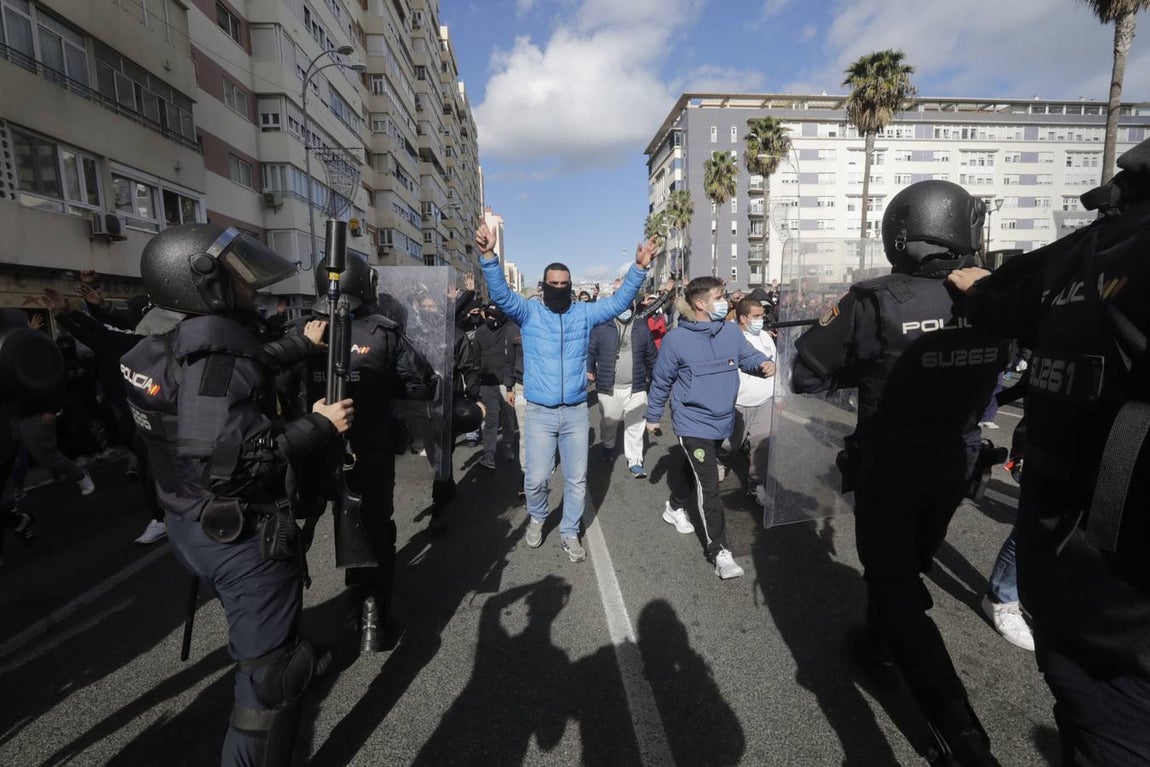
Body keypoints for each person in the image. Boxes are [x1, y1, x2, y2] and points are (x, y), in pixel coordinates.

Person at [947, 138, 1150, 765]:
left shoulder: (1093, 251)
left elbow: (996, 302)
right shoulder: (1093, 249)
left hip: (1104, 594)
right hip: (1095, 586)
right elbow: (1002, 304)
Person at [791, 180, 1007, 765]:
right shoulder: (995, 296)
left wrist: (861, 365)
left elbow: (806, 376)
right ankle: (875, 645)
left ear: (902, 233)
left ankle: (963, 737)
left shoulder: (874, 298)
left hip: (892, 467)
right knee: (906, 568)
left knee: (897, 589)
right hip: (957, 465)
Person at [121, 223, 353, 766]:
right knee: (272, 682)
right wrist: (320, 425)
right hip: (239, 535)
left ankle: (280, 643)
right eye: (238, 275)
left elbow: (242, 366)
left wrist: (302, 344)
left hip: (187, 522)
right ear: (205, 284)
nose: (250, 283)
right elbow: (233, 463)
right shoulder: (216, 362)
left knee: (268, 636)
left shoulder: (160, 345)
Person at [476, 221, 655, 562]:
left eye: (564, 283)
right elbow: (501, 294)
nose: (558, 288)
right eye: (553, 284)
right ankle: (538, 515)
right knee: (536, 479)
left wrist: (639, 267)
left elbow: (619, 301)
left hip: (574, 412)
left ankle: (570, 530)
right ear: (543, 286)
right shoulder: (528, 312)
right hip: (539, 412)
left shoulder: (584, 314)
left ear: (570, 285)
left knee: (576, 479)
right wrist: (488, 255)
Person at [305, 253, 437, 653]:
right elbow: (422, 381)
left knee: (294, 532)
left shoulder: (300, 331)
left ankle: (282, 637)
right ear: (365, 283)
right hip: (368, 449)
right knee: (374, 528)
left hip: (309, 448)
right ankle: (371, 619)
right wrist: (380, 389)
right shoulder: (383, 331)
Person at [645, 277, 773, 579]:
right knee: (710, 484)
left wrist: (762, 364)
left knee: (694, 473)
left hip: (723, 419)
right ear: (700, 304)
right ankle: (719, 551)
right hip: (692, 423)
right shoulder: (677, 340)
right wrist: (653, 416)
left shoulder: (730, 331)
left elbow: (746, 356)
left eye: (724, 295)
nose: (725, 301)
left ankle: (674, 506)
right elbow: (662, 380)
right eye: (719, 297)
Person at [587, 297, 658, 477]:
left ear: (633, 307)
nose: (624, 310)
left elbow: (651, 356)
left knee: (636, 425)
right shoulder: (602, 327)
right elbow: (591, 351)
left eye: (627, 307)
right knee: (609, 424)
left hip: (636, 387)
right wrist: (589, 369)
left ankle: (635, 460)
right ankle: (608, 446)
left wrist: (657, 379)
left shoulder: (642, 328)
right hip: (609, 387)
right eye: (621, 307)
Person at [732, 297, 776, 507]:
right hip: (738, 403)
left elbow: (775, 364)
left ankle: (756, 484)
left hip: (765, 401)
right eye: (756, 316)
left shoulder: (766, 337)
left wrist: (779, 394)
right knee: (729, 445)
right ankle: (721, 460)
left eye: (762, 315)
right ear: (743, 318)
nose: (761, 319)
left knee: (762, 445)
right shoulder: (731, 337)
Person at [474, 302, 519, 471]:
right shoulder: (480, 332)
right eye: (489, 314)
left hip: (507, 384)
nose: (491, 318)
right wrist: (476, 381)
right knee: (490, 420)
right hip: (487, 383)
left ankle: (508, 447)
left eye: (495, 315)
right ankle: (489, 455)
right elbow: (475, 358)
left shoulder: (509, 329)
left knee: (508, 419)